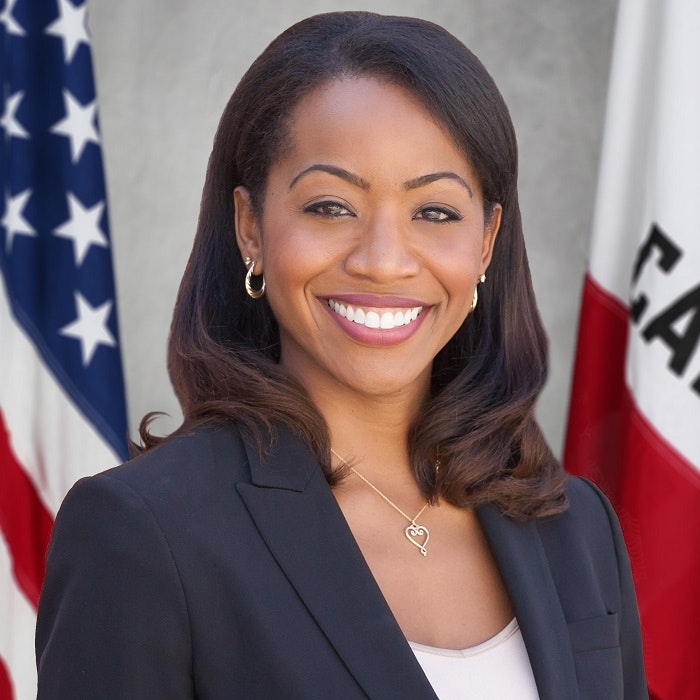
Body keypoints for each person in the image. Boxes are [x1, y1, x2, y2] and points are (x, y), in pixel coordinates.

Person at [35, 11, 647, 699]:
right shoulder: (144, 536)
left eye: (436, 212)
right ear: (250, 228)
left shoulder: (576, 527)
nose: (384, 262)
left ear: (485, 242)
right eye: (331, 207)